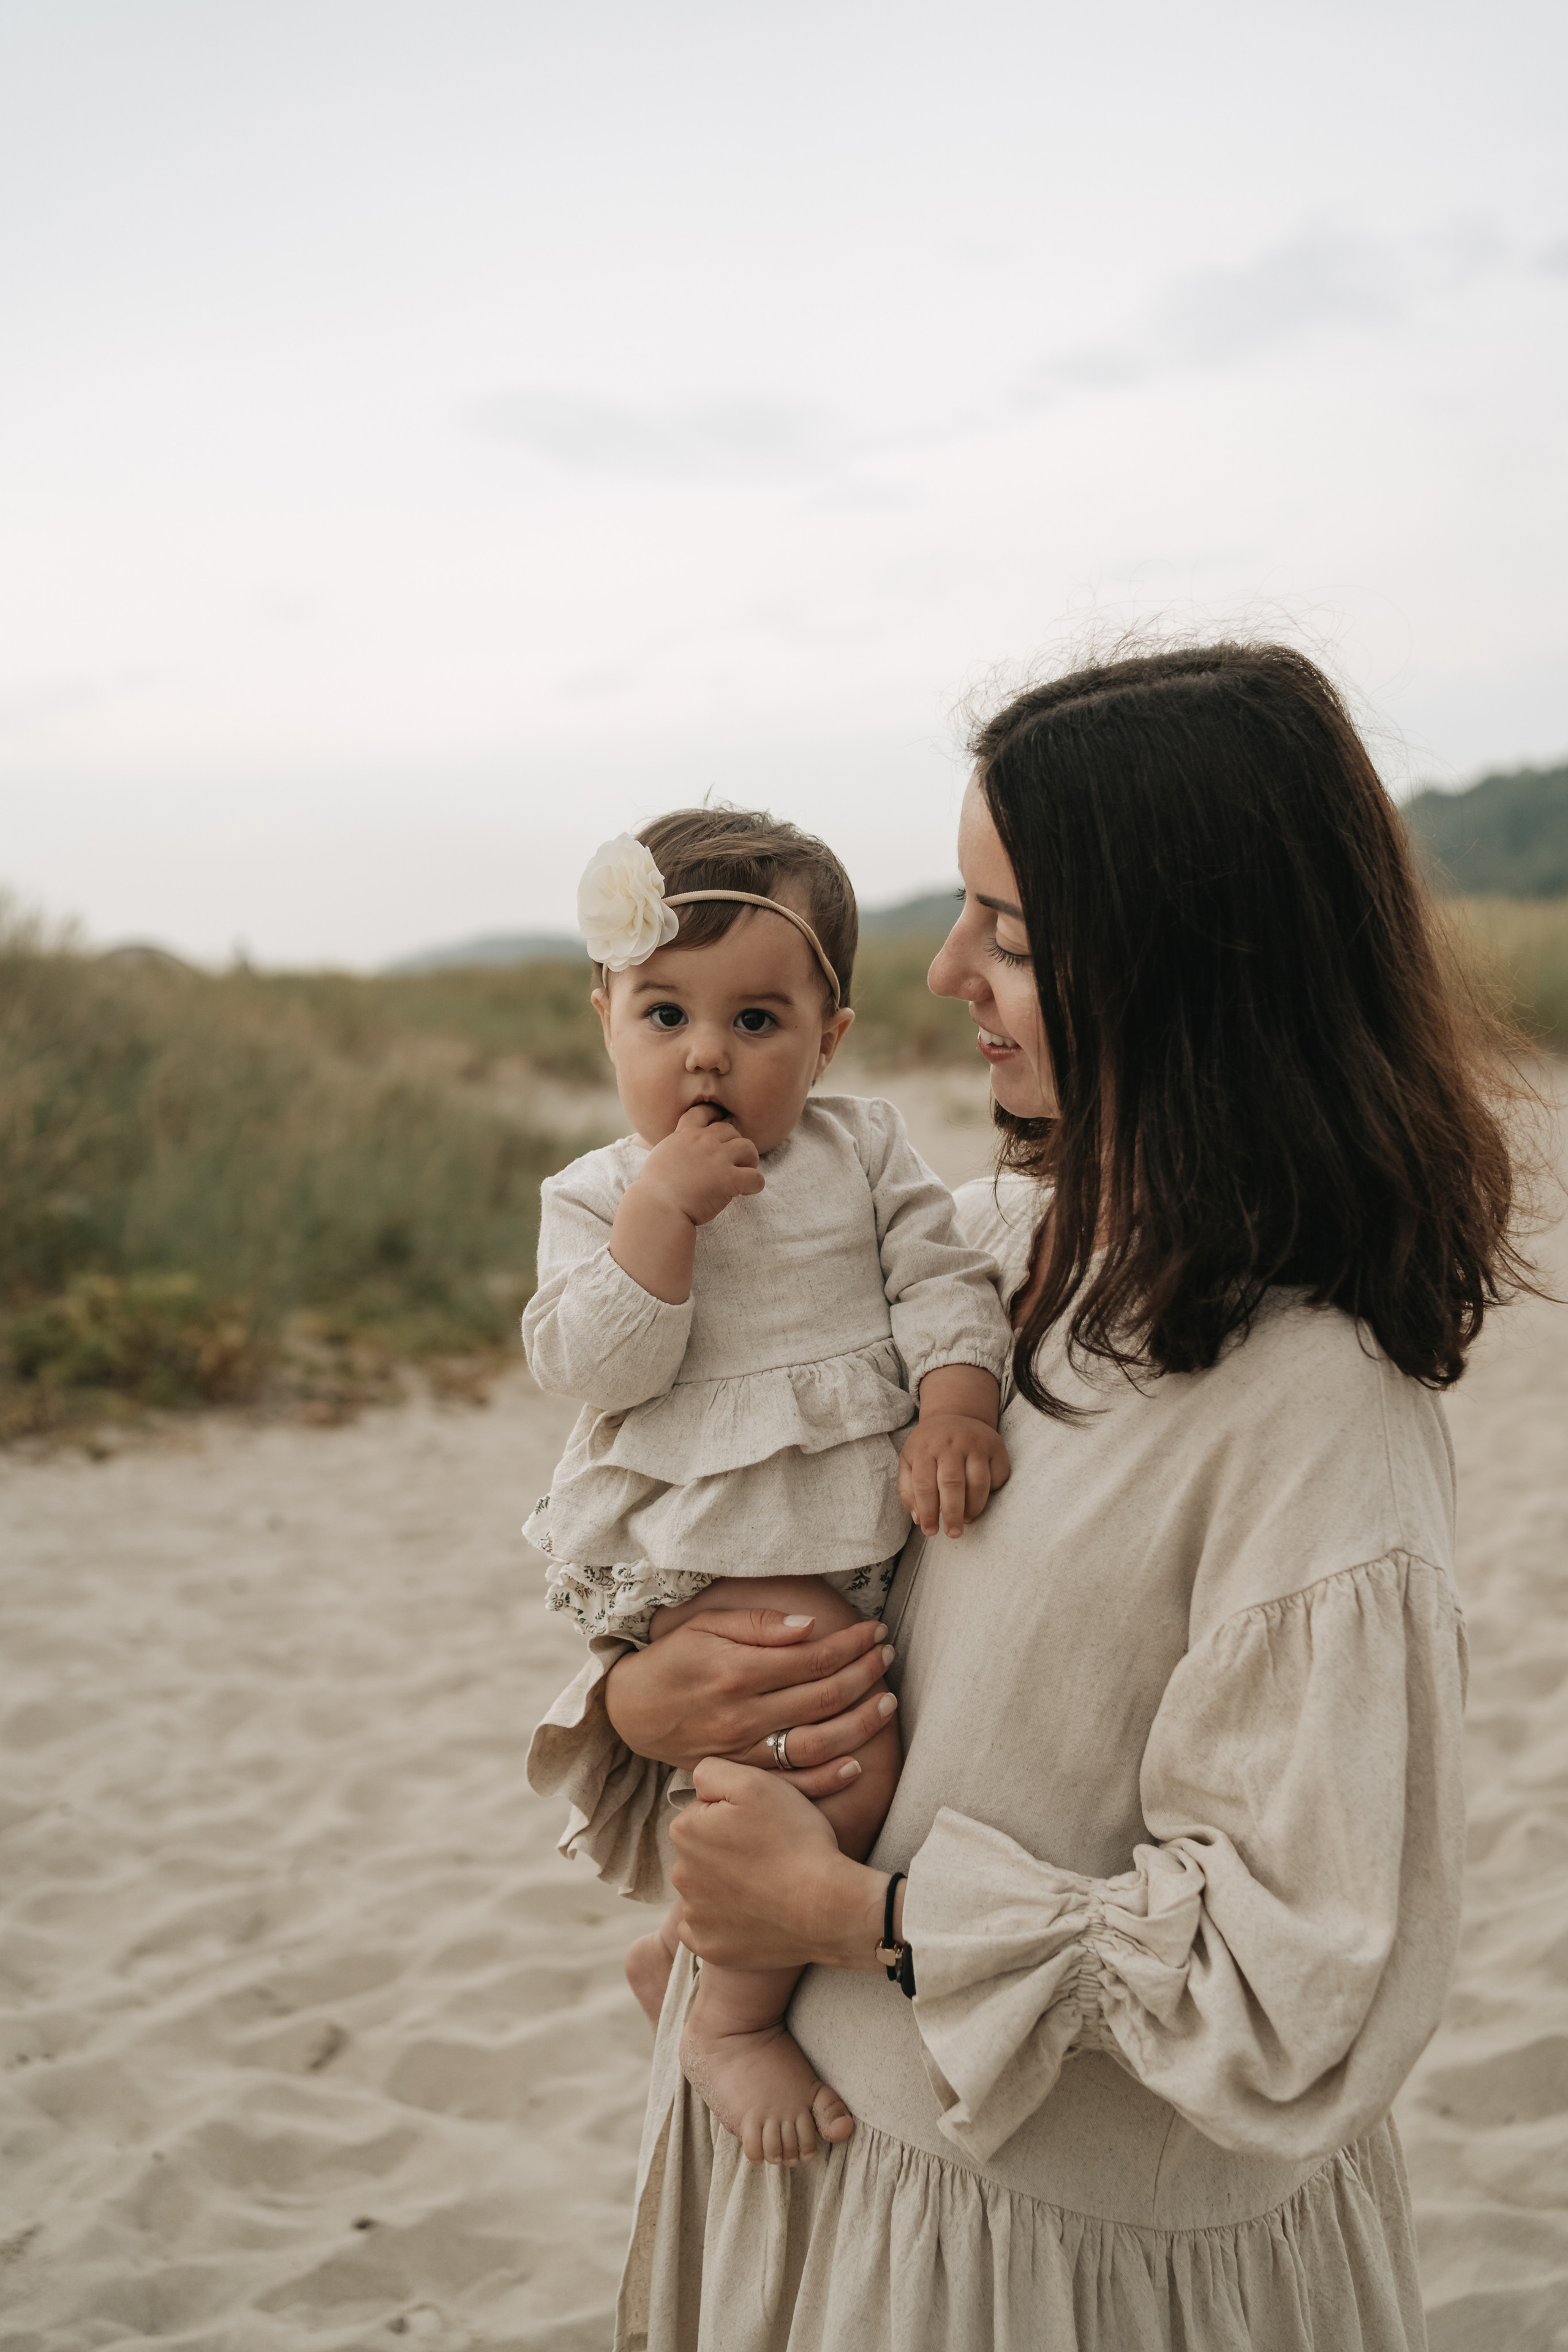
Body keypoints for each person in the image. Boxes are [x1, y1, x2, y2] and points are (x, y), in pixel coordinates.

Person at [530, 642, 1528, 2351]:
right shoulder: (1001, 1253)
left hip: (1045, 2267)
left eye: (1011, 931)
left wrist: (845, 1915)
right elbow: (725, 1514)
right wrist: (644, 1694)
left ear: (1186, 968)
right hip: (831, 2172)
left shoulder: (1318, 1417)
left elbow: (1295, 1986)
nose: (941, 972)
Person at [524, 809, 1012, 2168]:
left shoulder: (857, 1154)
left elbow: (940, 1279)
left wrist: (956, 1397)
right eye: (664, 1012)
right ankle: (727, 2021)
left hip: (839, 1524)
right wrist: (659, 1222)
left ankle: (675, 1951)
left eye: (755, 1023)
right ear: (607, 1016)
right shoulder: (598, 1192)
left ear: (827, 1038)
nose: (703, 1055)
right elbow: (594, 1366)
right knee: (847, 1766)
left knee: (804, 1776)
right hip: (700, 1540)